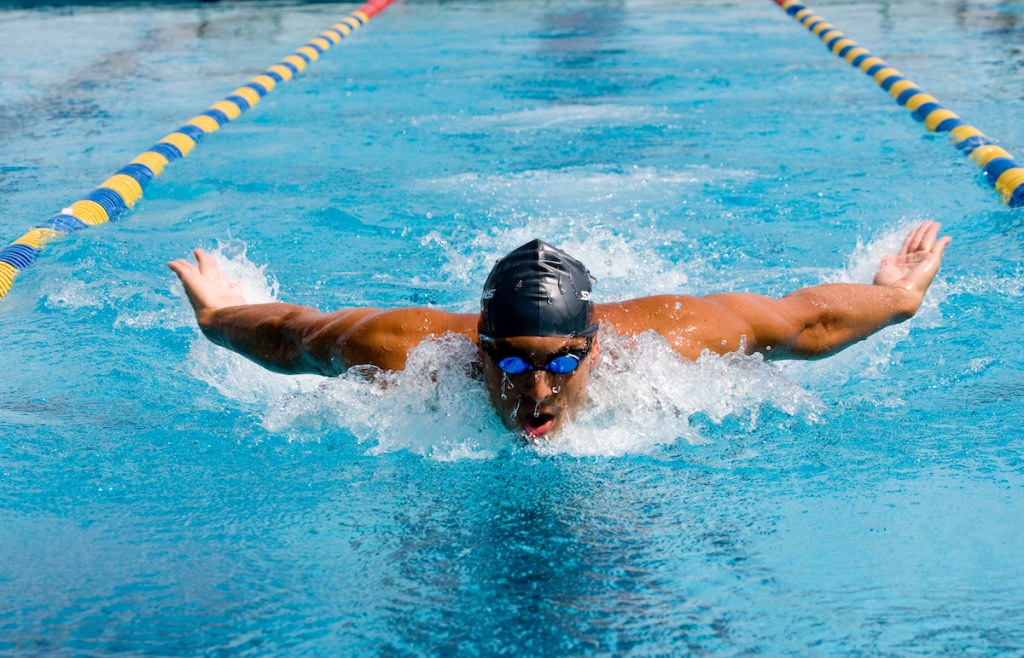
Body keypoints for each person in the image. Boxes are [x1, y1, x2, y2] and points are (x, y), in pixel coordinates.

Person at [169, 221, 950, 439]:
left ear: (596, 345)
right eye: (509, 366)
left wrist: (894, 298)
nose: (535, 397)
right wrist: (217, 315)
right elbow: (293, 335)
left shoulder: (668, 341)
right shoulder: (413, 349)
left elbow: (804, 320)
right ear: (475, 345)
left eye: (560, 365)